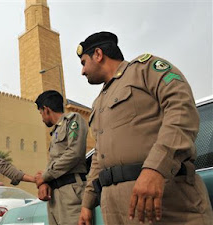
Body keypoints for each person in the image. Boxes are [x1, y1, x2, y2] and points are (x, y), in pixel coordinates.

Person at [76, 31, 213, 225]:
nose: (82, 71)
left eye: (83, 63)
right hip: (115, 208)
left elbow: (181, 108)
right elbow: (99, 155)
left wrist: (156, 169)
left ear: (98, 55)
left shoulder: (145, 69)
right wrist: (87, 203)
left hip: (163, 201)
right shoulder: (99, 103)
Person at [34, 90, 88, 225]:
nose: (42, 118)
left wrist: (45, 176)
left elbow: (74, 153)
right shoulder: (55, 132)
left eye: (41, 113)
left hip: (71, 193)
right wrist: (45, 182)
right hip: (55, 196)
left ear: (46, 110)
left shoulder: (73, 120)